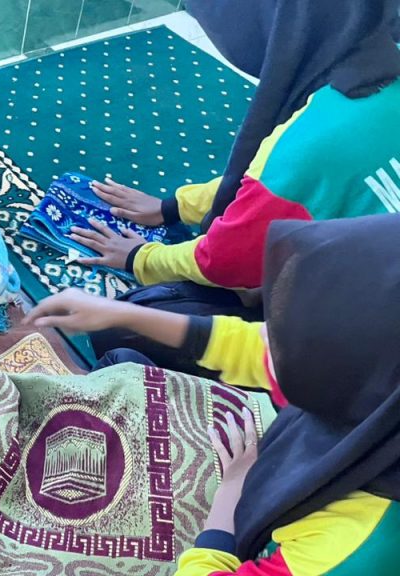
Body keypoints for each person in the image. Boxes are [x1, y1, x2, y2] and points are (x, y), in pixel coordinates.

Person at [27, 214, 400, 573]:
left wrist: (232, 491)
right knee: (124, 362)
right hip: (271, 470)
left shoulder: (353, 547)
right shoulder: (379, 399)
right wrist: (121, 315)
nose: (267, 333)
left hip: (237, 525)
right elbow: (257, 350)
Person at [68, 0, 400, 374]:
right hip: (375, 300)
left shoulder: (310, 143)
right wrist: (172, 207)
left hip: (366, 369)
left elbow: (220, 262)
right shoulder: (381, 63)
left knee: (123, 326)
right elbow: (281, 186)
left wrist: (139, 258)